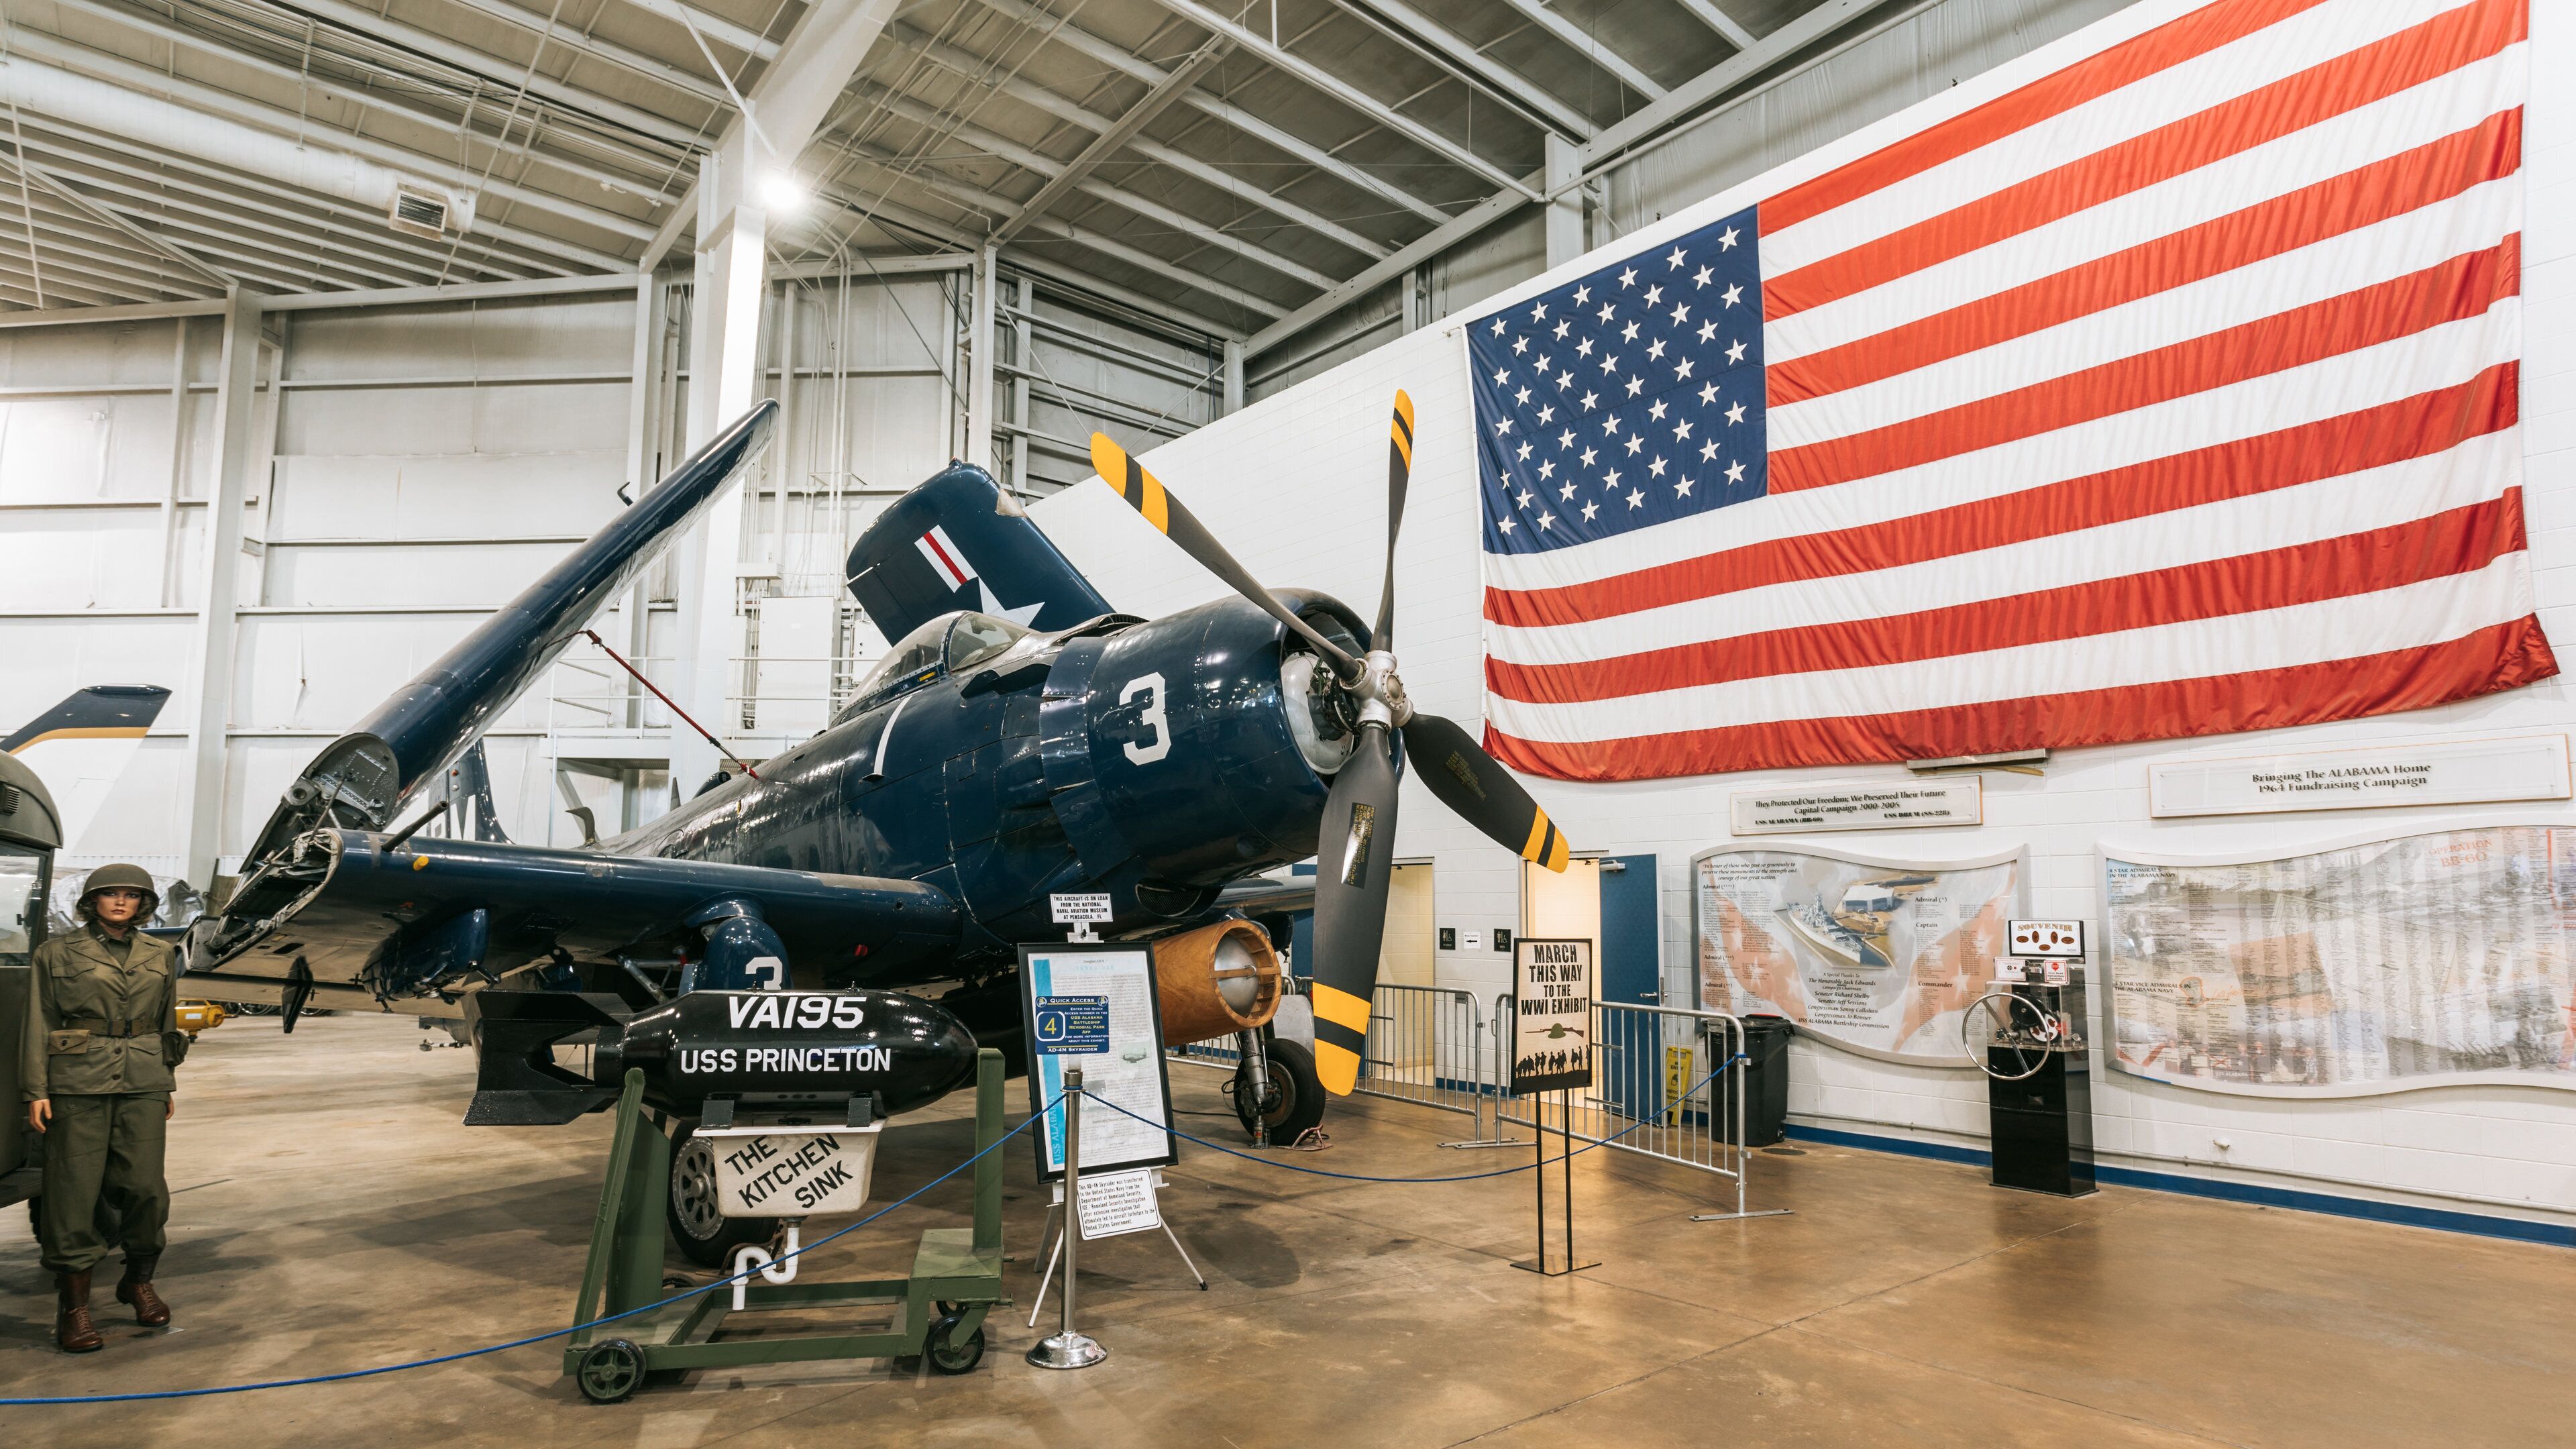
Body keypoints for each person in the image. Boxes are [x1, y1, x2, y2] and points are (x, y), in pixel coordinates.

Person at [21, 863, 185, 1354]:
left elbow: (167, 1021)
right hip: (77, 1080)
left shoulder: (161, 953)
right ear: (92, 902)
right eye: (110, 895)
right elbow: (38, 1020)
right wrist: (36, 1090)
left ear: (143, 905)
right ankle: (74, 1309)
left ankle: (137, 1281)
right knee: (72, 1192)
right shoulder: (57, 953)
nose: (120, 902)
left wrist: (166, 1080)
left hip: (143, 1080)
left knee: (145, 1188)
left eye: (131, 896)